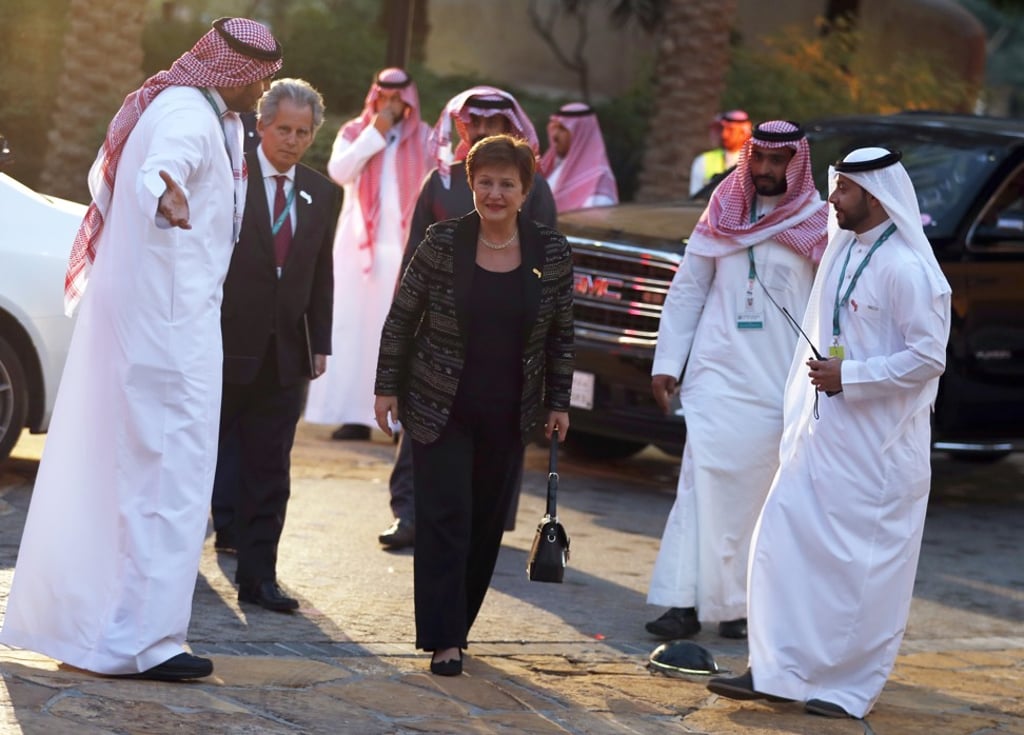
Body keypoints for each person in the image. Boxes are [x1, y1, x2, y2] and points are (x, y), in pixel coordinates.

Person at [0, 18, 282, 681]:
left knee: (132, 484)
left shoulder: (191, 107)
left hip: (164, 327)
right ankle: (146, 643)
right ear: (234, 71)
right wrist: (165, 193)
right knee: (168, 485)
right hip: (167, 337)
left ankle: (103, 633)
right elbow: (160, 169)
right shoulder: (186, 113)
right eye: (262, 76)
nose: (266, 87)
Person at [707, 147, 952, 719]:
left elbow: (928, 357)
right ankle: (776, 671)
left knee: (860, 572)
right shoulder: (843, 251)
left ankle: (846, 687)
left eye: (842, 191)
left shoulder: (908, 269)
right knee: (781, 545)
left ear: (874, 195)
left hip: (881, 450)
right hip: (822, 439)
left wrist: (853, 376)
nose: (832, 199)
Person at [373, 134, 574, 676]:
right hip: (440, 405)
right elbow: (401, 316)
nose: (495, 193)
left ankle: (458, 625)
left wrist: (559, 401)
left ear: (526, 190)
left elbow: (560, 334)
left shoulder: (551, 251)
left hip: (511, 411)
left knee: (485, 524)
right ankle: (443, 639)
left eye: (507, 183)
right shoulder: (442, 242)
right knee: (445, 519)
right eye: (485, 182)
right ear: (471, 185)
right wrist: (386, 386)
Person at [645, 120, 827, 643]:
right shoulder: (722, 210)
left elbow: (827, 313)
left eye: (779, 161)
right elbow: (687, 290)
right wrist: (667, 363)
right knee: (697, 487)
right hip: (714, 377)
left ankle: (740, 607)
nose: (767, 170)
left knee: (757, 500)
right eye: (760, 159)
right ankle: (681, 604)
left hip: (776, 386)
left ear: (796, 163)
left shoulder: (817, 223)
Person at [377, 85, 558, 551]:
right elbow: (412, 259)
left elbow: (548, 275)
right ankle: (409, 514)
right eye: (473, 123)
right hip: (437, 341)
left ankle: (487, 520)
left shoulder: (535, 190)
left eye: (492, 123)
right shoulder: (440, 179)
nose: (481, 130)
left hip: (504, 347)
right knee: (423, 431)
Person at [213, 78, 340, 612]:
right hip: (223, 342)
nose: (291, 140)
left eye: (303, 132)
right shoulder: (228, 177)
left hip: (286, 353)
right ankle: (173, 572)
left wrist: (320, 340)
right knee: (203, 459)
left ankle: (259, 578)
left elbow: (321, 273)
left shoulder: (323, 193)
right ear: (260, 126)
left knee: (271, 468)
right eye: (283, 128)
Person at [303, 68, 432, 442]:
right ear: (375, 97)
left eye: (398, 99)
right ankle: (353, 417)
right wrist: (375, 132)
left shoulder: (422, 138)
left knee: (394, 334)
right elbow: (339, 171)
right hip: (357, 253)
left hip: (404, 252)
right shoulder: (354, 133)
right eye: (384, 97)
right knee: (353, 333)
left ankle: (396, 420)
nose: (391, 105)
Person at [539, 102, 618, 211]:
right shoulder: (551, 168)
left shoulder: (599, 179)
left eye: (562, 129)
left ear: (581, 133)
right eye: (554, 128)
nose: (554, 136)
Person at [689, 110, 752, 196]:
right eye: (722, 129)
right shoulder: (703, 160)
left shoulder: (754, 160)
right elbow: (695, 199)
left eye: (731, 130)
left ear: (743, 132)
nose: (724, 135)